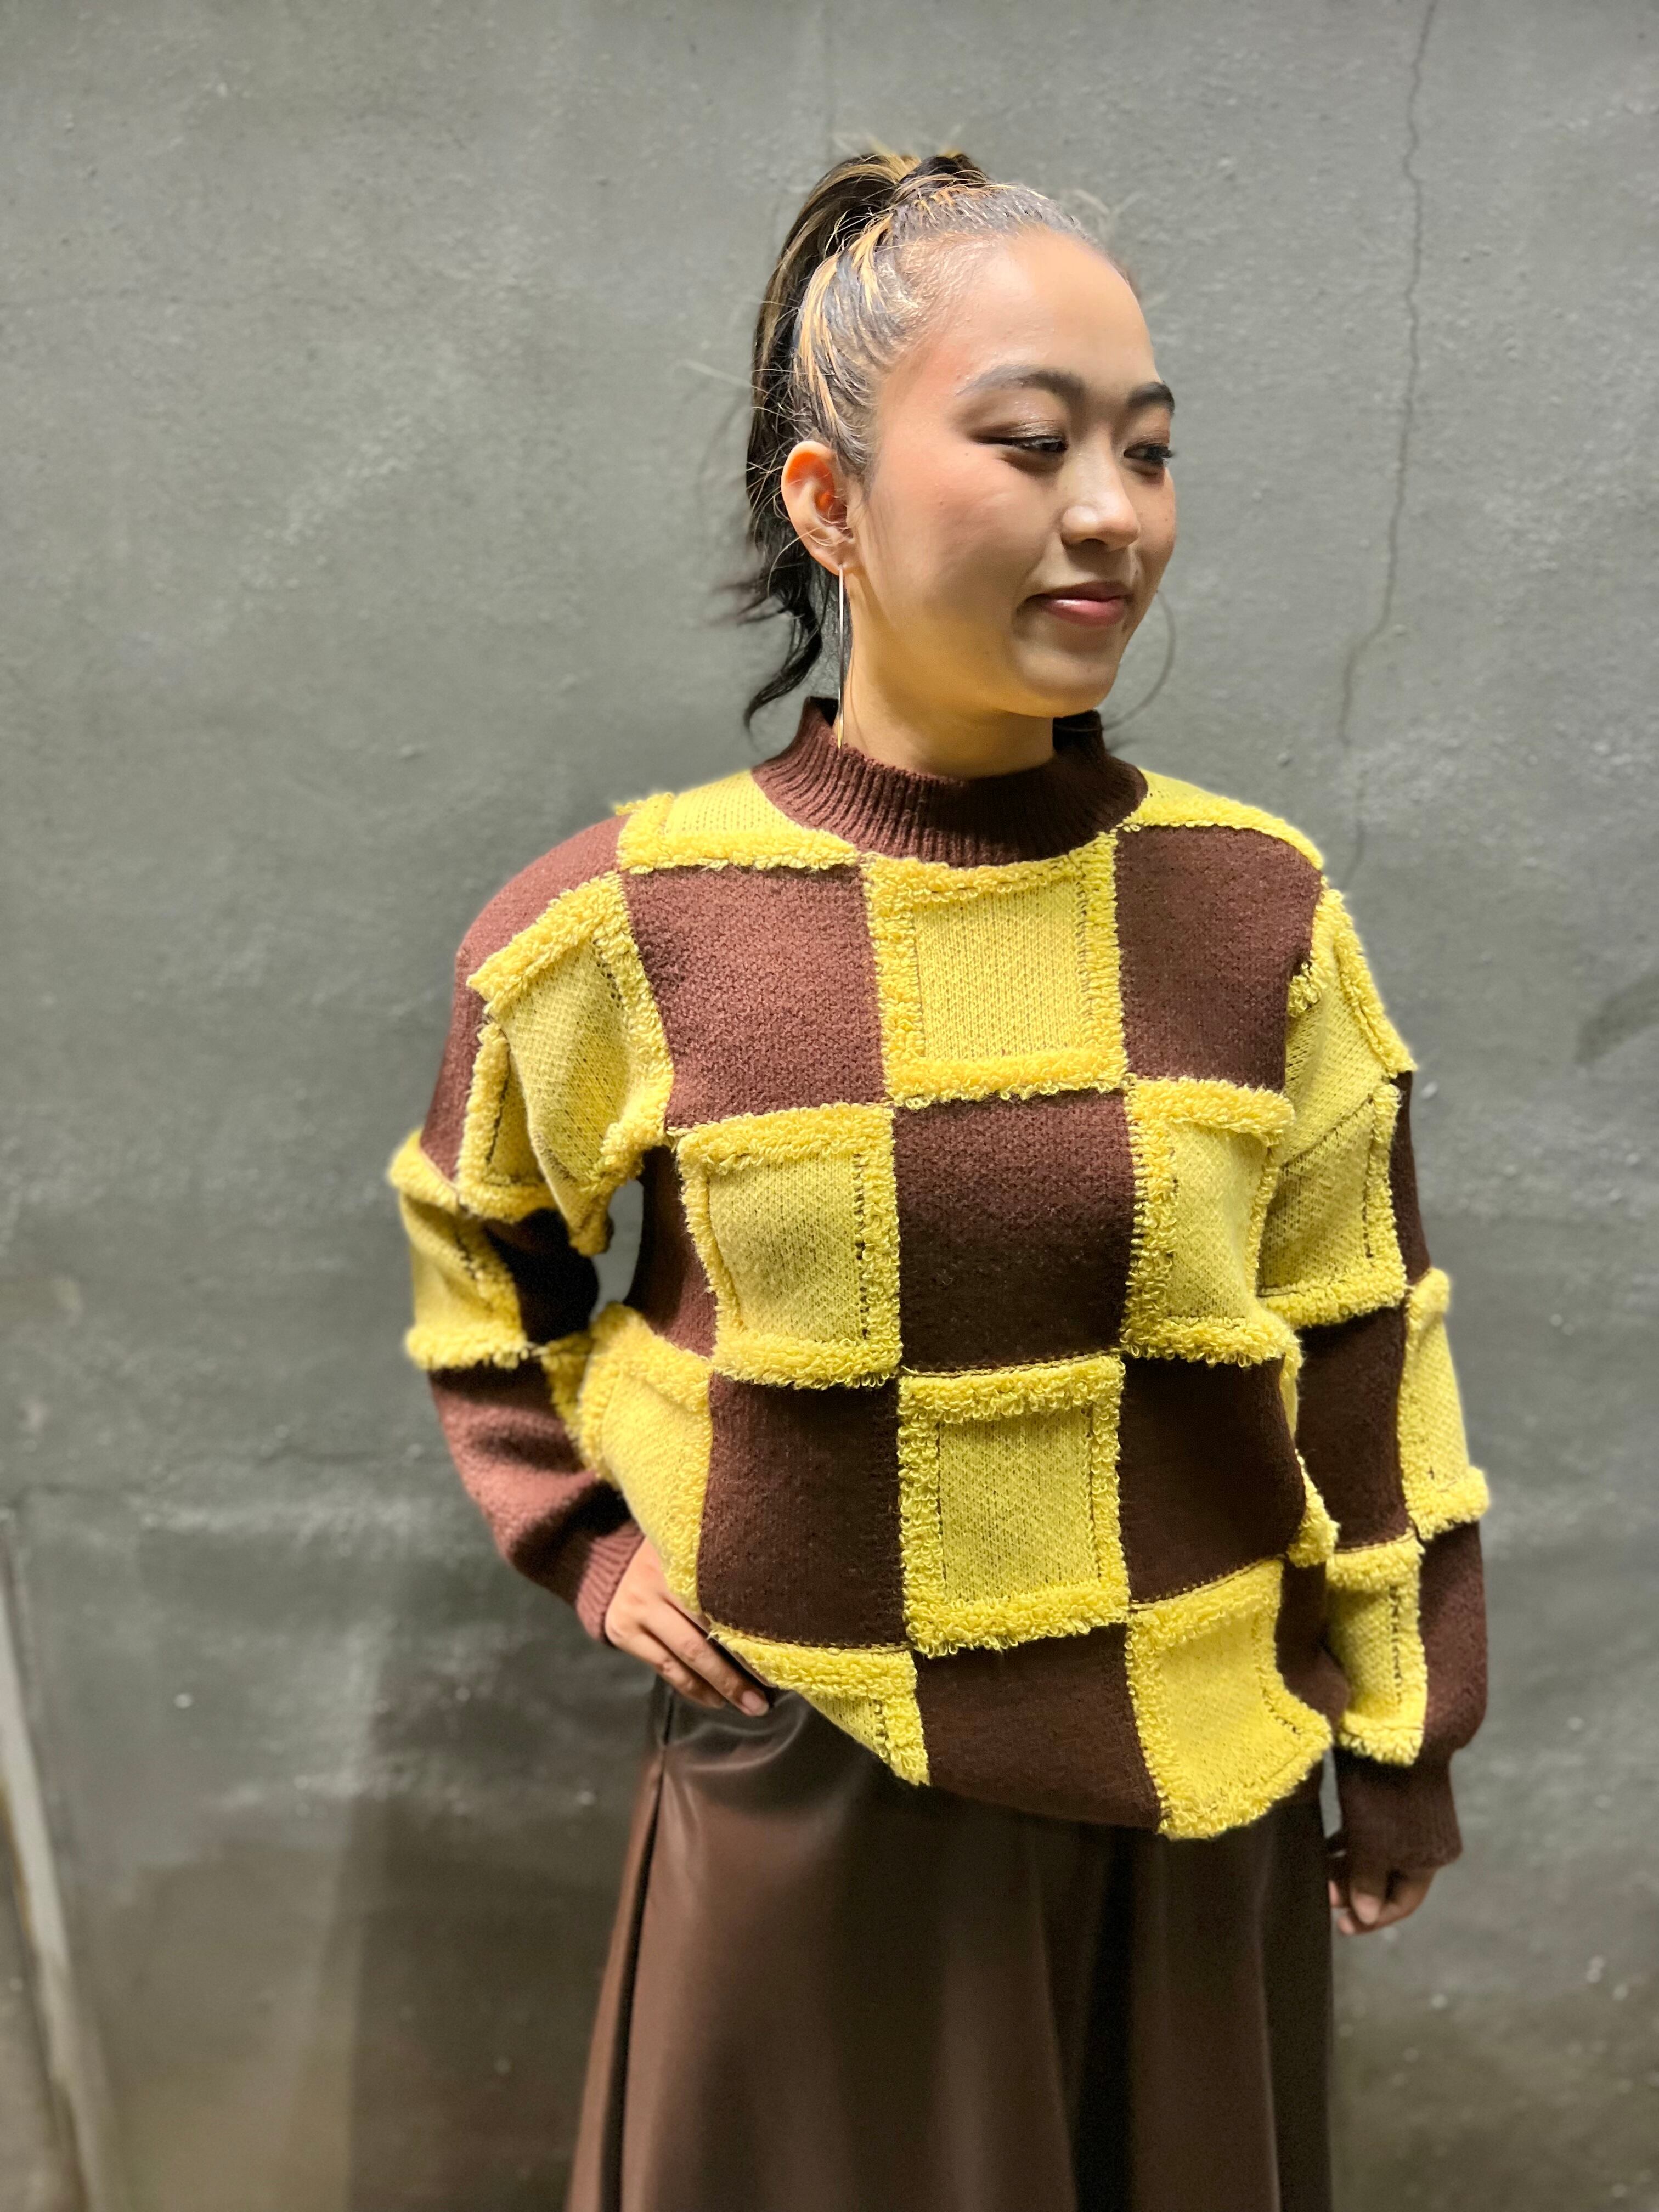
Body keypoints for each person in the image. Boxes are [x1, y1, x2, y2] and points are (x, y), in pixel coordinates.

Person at [390, 148, 1489, 2212]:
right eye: (1032, 443)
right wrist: (584, 1540)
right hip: (816, 1795)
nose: (1113, 511)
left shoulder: (1256, 911)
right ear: (830, 502)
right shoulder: (621, 926)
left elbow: (1366, 1351)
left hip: (1195, 1802)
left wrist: (1405, 1733)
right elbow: (483, 1254)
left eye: (1148, 451)